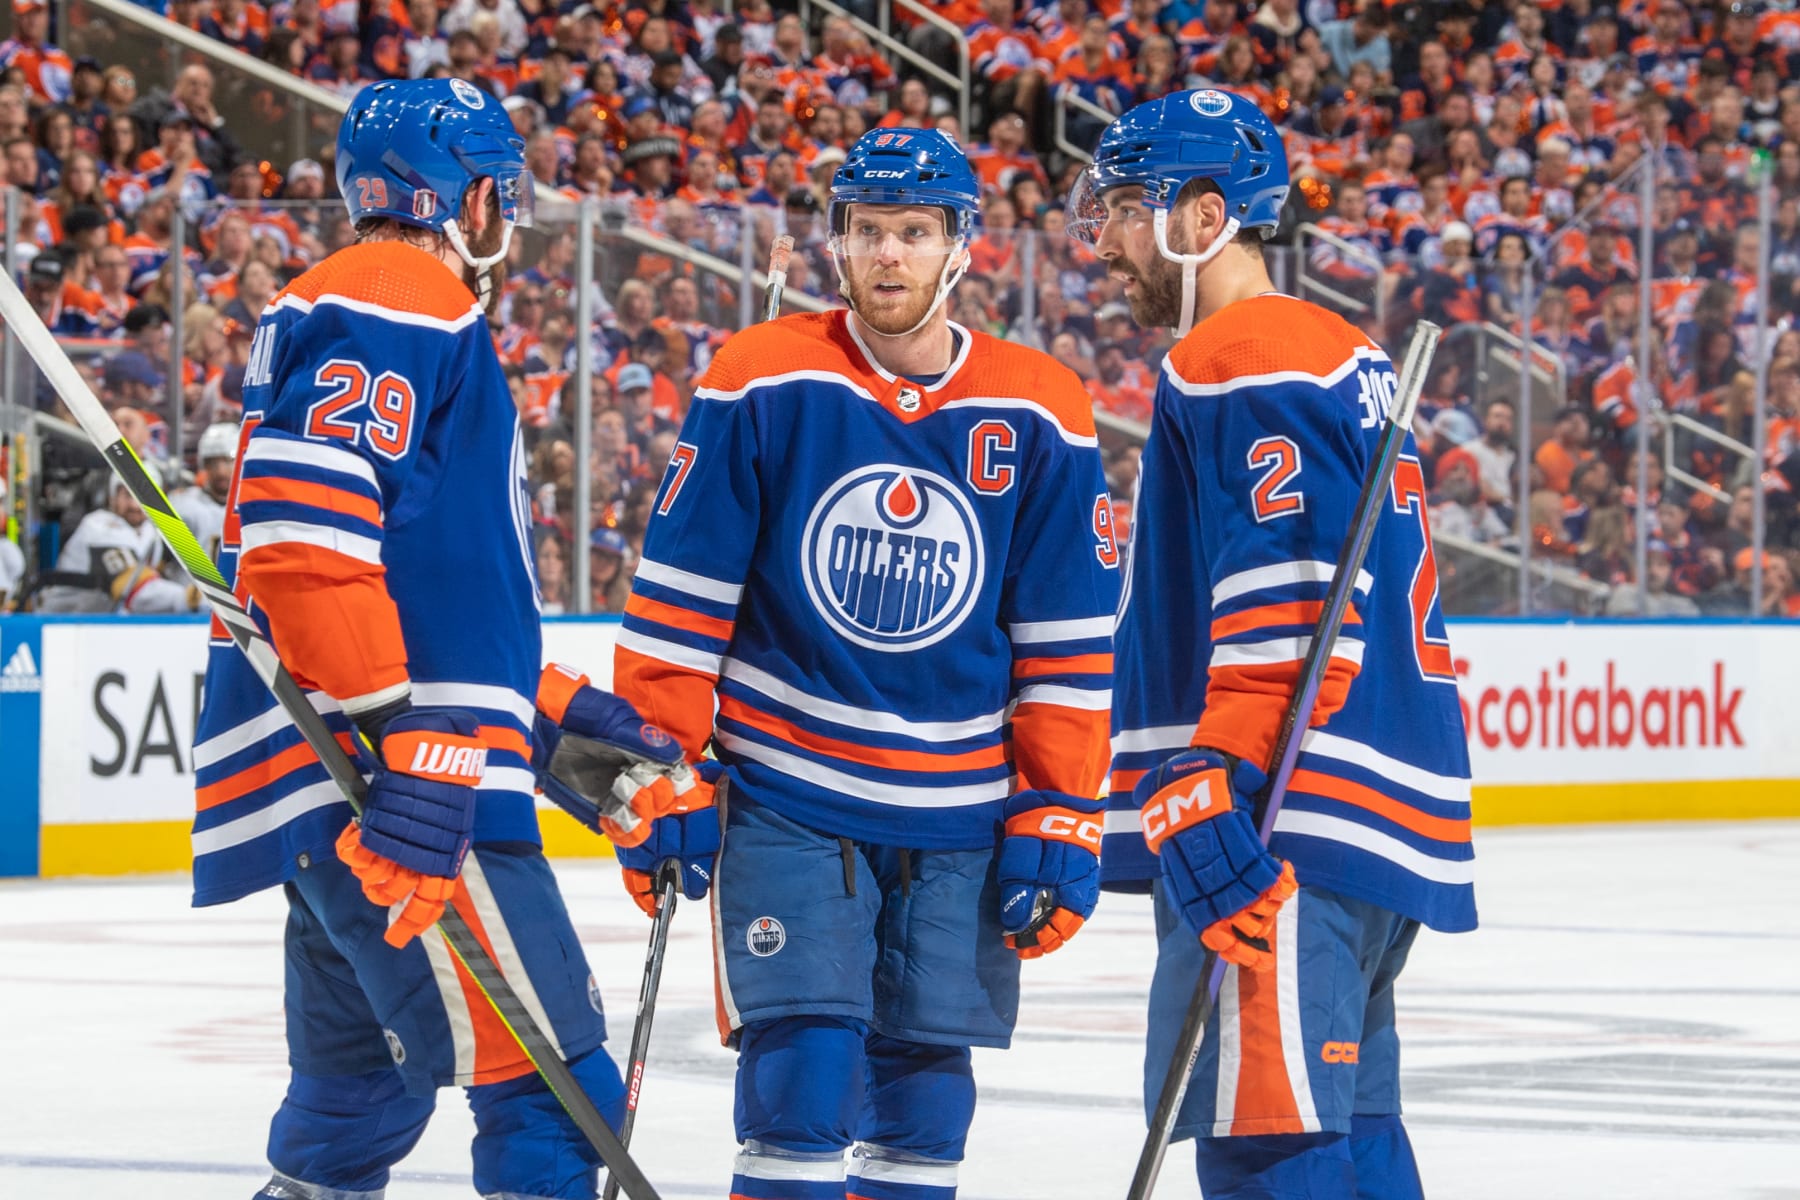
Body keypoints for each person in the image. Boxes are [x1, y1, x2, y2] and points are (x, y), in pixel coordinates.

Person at [188, 79, 700, 1200]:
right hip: (409, 806)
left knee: (350, 1113)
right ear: (466, 201)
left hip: (352, 801)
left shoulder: (376, 303)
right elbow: (300, 540)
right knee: (556, 1104)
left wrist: (568, 731)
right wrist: (405, 734)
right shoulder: (397, 291)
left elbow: (432, 595)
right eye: (498, 193)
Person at [614, 126, 1119, 1200]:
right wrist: (653, 766)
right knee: (802, 1078)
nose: (890, 256)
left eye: (915, 233)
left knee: (929, 1103)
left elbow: (1067, 649)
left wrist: (1060, 807)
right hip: (790, 790)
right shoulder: (761, 377)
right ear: (837, 245)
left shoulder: (1042, 407)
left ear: (960, 248)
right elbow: (677, 611)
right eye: (869, 232)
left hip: (962, 811)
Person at [1071, 89, 1477, 1199]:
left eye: (1121, 209)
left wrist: (1214, 771)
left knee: (1265, 1151)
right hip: (1356, 825)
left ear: (1203, 219)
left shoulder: (1241, 352)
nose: (1101, 241)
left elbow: (1293, 586)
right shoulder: (1335, 351)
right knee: (1351, 1140)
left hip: (1280, 822)